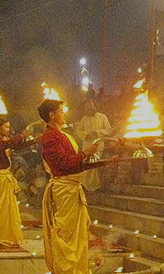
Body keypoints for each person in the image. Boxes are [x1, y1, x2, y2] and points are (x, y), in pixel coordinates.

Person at [39, 99, 99, 274]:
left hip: (72, 188)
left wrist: (91, 159)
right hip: (64, 190)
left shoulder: (64, 134)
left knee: (78, 237)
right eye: (61, 111)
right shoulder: (50, 137)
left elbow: (73, 163)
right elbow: (64, 163)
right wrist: (85, 153)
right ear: (52, 115)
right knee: (66, 236)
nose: (65, 114)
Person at [0, 118, 32, 247]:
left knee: (7, 209)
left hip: (5, 177)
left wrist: (34, 140)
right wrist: (21, 135)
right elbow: (6, 145)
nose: (9, 129)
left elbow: (16, 145)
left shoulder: (5, 139)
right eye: (6, 127)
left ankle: (7, 236)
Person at [72, 98, 112, 192]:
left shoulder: (102, 117)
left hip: (98, 145)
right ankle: (86, 186)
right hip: (87, 146)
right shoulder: (84, 119)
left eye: (90, 106)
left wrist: (97, 133)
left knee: (94, 165)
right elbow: (78, 130)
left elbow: (108, 130)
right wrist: (86, 135)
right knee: (86, 166)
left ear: (94, 106)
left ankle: (96, 186)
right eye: (87, 107)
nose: (88, 108)